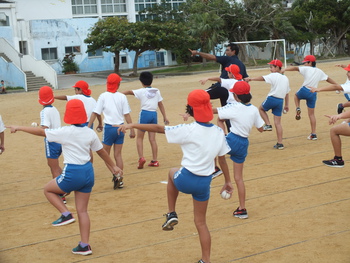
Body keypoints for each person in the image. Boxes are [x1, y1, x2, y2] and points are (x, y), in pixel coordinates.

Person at [118, 89, 233, 263]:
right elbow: (222, 161)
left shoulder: (187, 129)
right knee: (201, 223)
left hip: (186, 179)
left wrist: (133, 125)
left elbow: (158, 128)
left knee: (172, 172)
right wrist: (228, 181)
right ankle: (206, 260)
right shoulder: (218, 132)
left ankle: (171, 212)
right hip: (204, 183)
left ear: (191, 110)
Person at [7, 99, 123, 256]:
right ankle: (84, 245)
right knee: (83, 211)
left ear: (68, 116)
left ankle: (65, 214)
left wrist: (18, 127)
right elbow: (101, 152)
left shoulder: (64, 132)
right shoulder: (90, 132)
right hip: (88, 172)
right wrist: (114, 167)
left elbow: (42, 132)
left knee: (48, 189)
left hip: (72, 172)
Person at [213, 81, 264, 219]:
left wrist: (198, 107)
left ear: (235, 96)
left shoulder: (234, 107)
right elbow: (261, 129)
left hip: (232, 139)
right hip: (243, 143)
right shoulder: (253, 109)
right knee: (239, 178)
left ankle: (219, 173)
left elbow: (214, 111)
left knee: (217, 150)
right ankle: (242, 209)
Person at [88, 73, 135, 190]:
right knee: (118, 154)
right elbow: (127, 114)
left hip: (109, 128)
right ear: (118, 84)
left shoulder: (103, 96)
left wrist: (88, 126)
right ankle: (120, 176)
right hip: (121, 128)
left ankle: (115, 173)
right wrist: (131, 129)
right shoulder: (122, 97)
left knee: (105, 155)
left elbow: (96, 112)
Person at [282, 55, 337, 140]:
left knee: (296, 96)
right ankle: (313, 134)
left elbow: (295, 68)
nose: (304, 64)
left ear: (310, 63)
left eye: (305, 63)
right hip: (313, 93)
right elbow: (328, 79)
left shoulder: (306, 68)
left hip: (305, 89)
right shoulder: (319, 71)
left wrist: (284, 69)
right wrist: (337, 85)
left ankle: (298, 108)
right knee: (311, 114)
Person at [121, 71, 169, 169]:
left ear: (141, 82)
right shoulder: (156, 91)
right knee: (152, 139)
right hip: (153, 114)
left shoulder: (141, 91)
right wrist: (165, 116)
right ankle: (155, 160)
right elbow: (160, 104)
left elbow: (130, 92)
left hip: (145, 114)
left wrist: (118, 94)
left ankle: (141, 158)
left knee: (140, 138)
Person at [245, 59, 290, 149]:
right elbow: (287, 93)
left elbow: (263, 78)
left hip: (272, 98)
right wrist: (287, 105)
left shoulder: (274, 75)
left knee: (261, 109)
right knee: (278, 123)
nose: (270, 69)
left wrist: (251, 79)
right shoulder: (285, 78)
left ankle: (268, 124)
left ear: (277, 67)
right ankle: (280, 143)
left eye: (271, 67)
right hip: (280, 101)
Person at [189, 43, 248, 109]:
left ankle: (190, 112)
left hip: (222, 87)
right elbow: (246, 80)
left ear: (233, 51)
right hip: (233, 92)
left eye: (227, 50)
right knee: (227, 109)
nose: (225, 52)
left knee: (199, 96)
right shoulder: (242, 65)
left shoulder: (227, 59)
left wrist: (198, 53)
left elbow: (211, 57)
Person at [55, 80, 98, 163]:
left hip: (80, 124)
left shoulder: (78, 97)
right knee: (88, 148)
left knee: (77, 145)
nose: (75, 92)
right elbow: (97, 113)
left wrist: (53, 97)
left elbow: (65, 97)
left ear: (80, 90)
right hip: (90, 124)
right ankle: (90, 165)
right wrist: (100, 123)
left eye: (75, 89)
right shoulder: (93, 100)